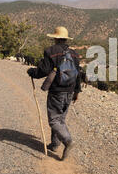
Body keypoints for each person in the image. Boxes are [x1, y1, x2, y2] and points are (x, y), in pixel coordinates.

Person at [27, 26, 81, 161]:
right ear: (65, 39)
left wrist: (31, 72)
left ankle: (68, 141)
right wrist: (77, 91)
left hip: (56, 91)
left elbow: (42, 71)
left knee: (54, 120)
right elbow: (78, 73)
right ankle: (55, 144)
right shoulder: (74, 54)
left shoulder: (50, 51)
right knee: (60, 119)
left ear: (55, 38)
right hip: (70, 91)